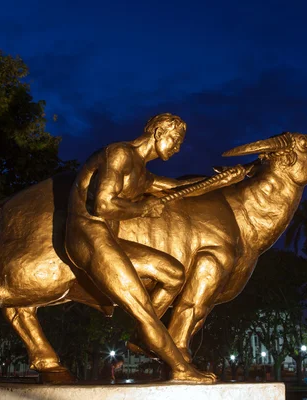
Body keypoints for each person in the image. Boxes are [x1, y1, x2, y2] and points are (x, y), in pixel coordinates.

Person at [65, 113, 213, 382]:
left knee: (174, 273)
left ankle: (145, 332)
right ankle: (178, 366)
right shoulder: (119, 153)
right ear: (158, 132)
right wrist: (143, 208)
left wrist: (224, 181)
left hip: (109, 237)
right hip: (88, 235)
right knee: (142, 306)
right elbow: (102, 205)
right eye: (176, 140)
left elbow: (178, 187)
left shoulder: (142, 173)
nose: (178, 148)